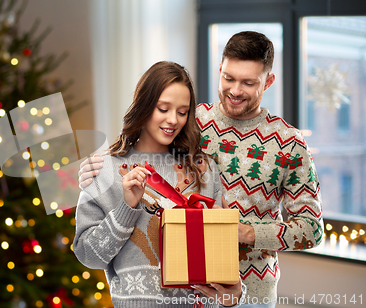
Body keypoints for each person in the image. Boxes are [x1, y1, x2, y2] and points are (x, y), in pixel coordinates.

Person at [78, 32, 324, 308]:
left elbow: (312, 229)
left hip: (252, 292)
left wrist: (244, 232)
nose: (235, 90)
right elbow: (144, 144)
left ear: (268, 82)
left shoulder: (289, 142)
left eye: (248, 82)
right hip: (189, 289)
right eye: (229, 78)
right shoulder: (194, 120)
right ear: (220, 68)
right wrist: (95, 170)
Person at [73, 61, 246, 307]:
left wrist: (233, 296)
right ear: (144, 106)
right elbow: (88, 256)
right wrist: (126, 208)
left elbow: (219, 263)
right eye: (163, 108)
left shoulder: (204, 169)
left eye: (182, 112)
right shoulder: (104, 170)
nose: (173, 120)